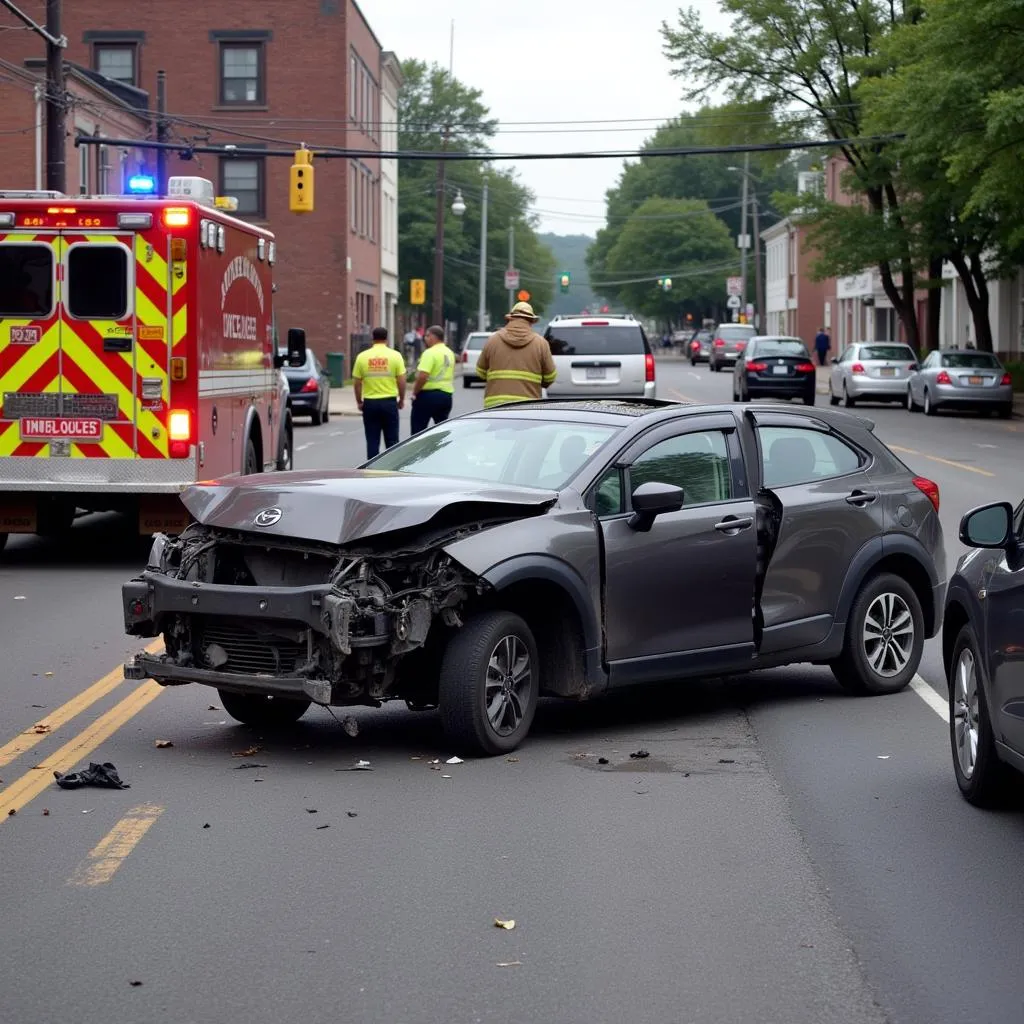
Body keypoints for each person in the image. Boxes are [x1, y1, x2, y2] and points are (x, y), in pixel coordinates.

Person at [475, 300, 557, 408]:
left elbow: (480, 372)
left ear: (510, 318)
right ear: (532, 321)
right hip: (527, 406)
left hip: (494, 406)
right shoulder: (541, 343)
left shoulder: (493, 340)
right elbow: (550, 377)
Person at [352, 326, 406, 459]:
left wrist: (359, 401)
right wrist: (402, 399)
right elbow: (401, 380)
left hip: (370, 403)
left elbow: (357, 383)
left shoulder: (362, 357)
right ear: (386, 339)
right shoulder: (395, 356)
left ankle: (371, 470)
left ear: (373, 338)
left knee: (372, 441)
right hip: (389, 402)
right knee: (392, 441)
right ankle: (392, 469)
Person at [410, 325, 455, 434]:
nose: (425, 338)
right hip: (446, 396)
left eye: (427, 336)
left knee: (418, 432)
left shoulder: (429, 353)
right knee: (442, 432)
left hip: (427, 396)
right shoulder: (449, 352)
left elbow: (423, 376)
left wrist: (414, 392)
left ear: (432, 337)